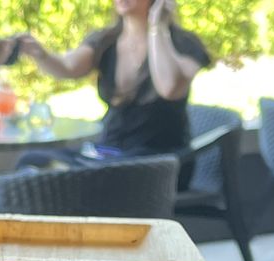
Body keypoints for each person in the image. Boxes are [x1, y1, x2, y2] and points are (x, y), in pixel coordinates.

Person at [11, 0, 212, 161]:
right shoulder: (105, 40)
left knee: (91, 174)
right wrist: (39, 54)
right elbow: (68, 67)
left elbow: (170, 88)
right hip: (110, 151)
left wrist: (157, 27)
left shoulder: (184, 43)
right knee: (33, 159)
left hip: (161, 161)